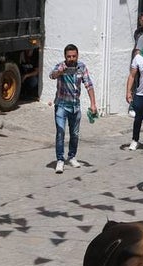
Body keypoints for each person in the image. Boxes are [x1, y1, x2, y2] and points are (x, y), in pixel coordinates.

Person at [48, 44, 98, 173]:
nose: (71, 59)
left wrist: (93, 104)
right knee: (60, 133)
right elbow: (52, 75)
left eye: (74, 56)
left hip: (75, 106)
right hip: (61, 105)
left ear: (77, 56)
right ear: (65, 56)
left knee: (74, 134)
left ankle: (72, 156)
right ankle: (60, 160)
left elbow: (89, 85)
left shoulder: (81, 67)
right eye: (69, 56)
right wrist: (60, 72)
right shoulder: (60, 66)